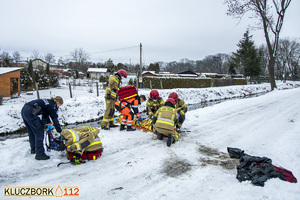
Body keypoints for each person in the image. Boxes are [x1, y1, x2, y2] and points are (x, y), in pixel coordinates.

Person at [21, 96, 63, 160]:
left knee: (32, 132)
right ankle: (40, 154)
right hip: (31, 112)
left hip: (25, 110)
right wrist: (60, 131)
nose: (58, 107)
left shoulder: (48, 102)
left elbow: (45, 114)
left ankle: (34, 149)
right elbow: (55, 119)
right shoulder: (52, 106)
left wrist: (47, 123)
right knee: (39, 132)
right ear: (57, 102)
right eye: (59, 105)